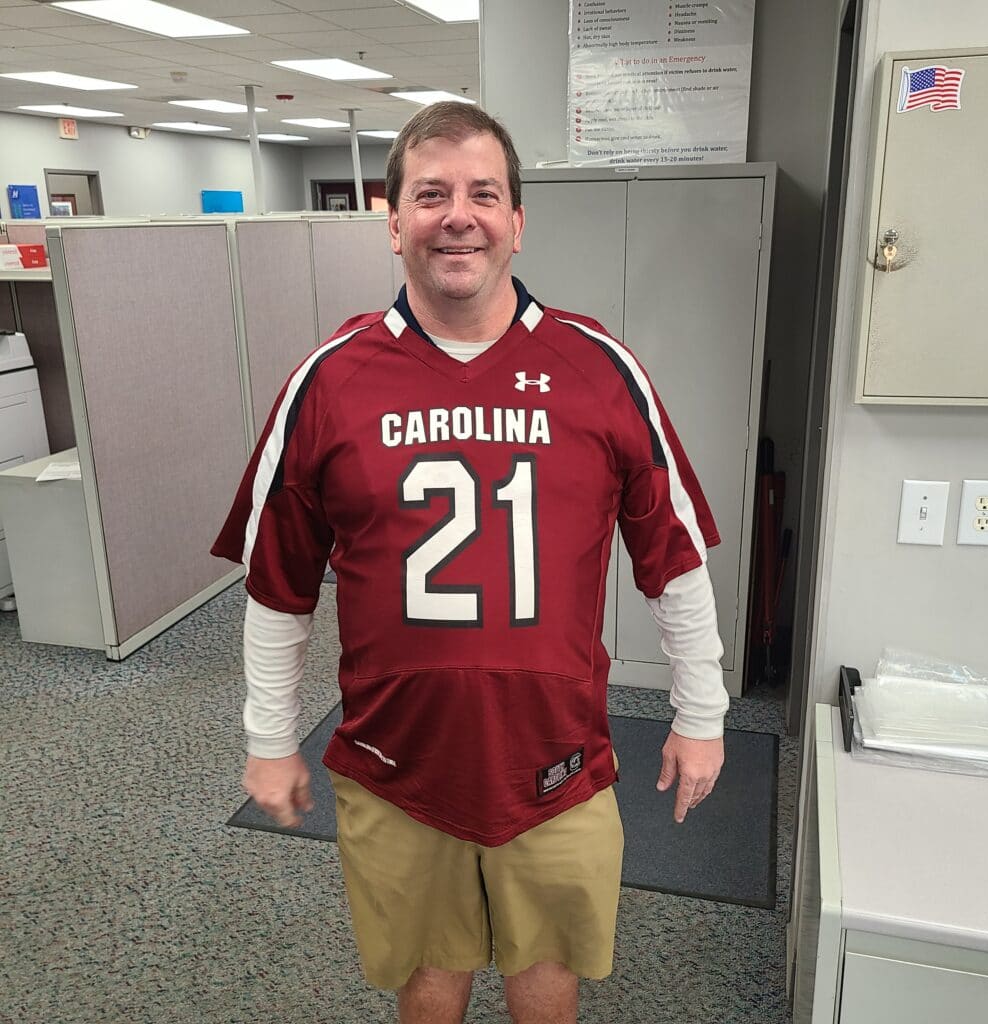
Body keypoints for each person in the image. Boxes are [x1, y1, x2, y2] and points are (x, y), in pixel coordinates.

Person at [212, 101, 729, 1024]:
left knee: (549, 975)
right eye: (432, 194)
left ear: (517, 222)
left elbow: (673, 560)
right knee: (429, 979)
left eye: (484, 194)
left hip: (559, 760)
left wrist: (702, 712)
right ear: (393, 221)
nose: (460, 215)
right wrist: (268, 738)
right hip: (396, 762)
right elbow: (276, 589)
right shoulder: (328, 381)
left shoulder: (599, 367)